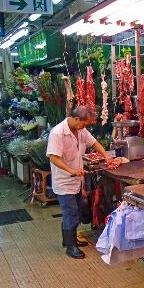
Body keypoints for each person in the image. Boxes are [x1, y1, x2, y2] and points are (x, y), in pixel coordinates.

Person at [46, 105, 113, 259]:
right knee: (71, 213)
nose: (86, 127)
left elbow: (94, 143)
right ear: (76, 119)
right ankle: (71, 247)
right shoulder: (57, 133)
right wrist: (71, 170)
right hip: (64, 182)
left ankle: (69, 240)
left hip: (77, 181)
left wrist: (106, 155)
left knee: (74, 211)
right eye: (85, 123)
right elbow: (53, 157)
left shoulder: (80, 130)